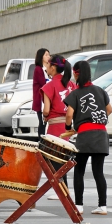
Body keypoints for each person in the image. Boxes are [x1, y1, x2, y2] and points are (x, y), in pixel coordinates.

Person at [62, 61, 112, 215]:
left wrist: (69, 127)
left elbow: (69, 114)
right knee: (98, 172)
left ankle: (79, 205)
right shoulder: (100, 90)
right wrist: (95, 119)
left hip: (85, 136)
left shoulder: (76, 93)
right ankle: (102, 206)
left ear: (76, 74)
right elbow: (109, 110)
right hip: (101, 135)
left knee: (79, 171)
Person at [42, 55, 76, 197]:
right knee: (63, 158)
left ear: (53, 67)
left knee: (53, 158)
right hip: (68, 126)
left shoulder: (49, 86)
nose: (46, 68)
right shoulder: (71, 85)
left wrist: (44, 117)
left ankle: (60, 189)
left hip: (55, 127)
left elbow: (46, 110)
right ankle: (63, 188)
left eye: (48, 65)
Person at [32, 48, 51, 137]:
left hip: (47, 99)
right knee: (42, 123)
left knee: (45, 123)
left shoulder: (47, 69)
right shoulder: (38, 69)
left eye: (49, 55)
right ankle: (41, 140)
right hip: (41, 100)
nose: (48, 57)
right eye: (46, 55)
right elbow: (44, 84)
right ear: (41, 57)